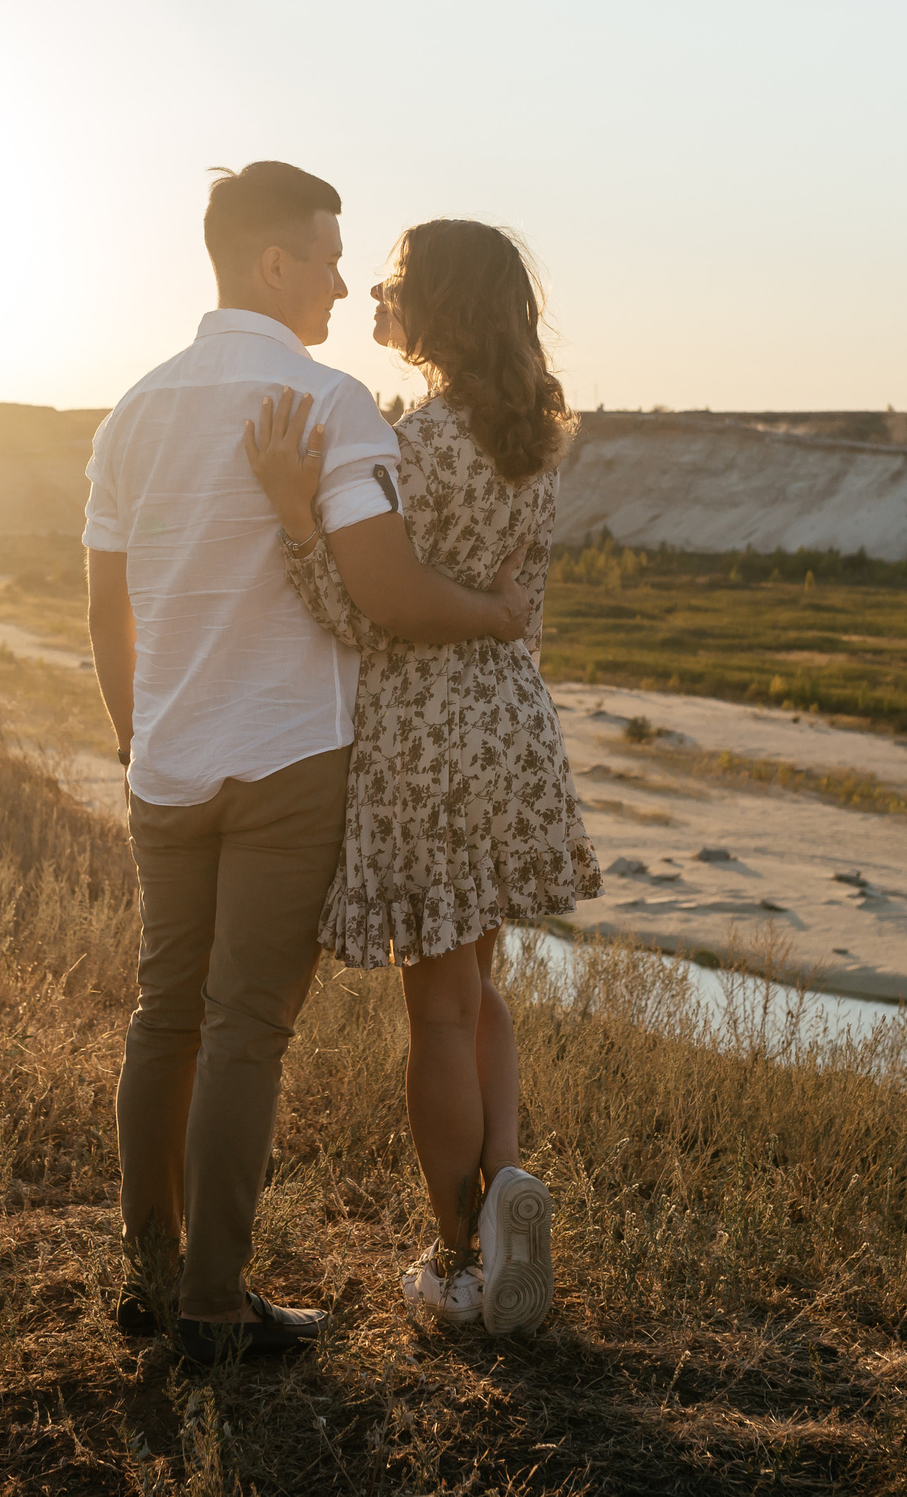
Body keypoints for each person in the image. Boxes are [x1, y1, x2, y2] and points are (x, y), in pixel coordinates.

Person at [87, 164, 533, 1364]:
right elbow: (384, 592)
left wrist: (141, 739)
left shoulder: (132, 408)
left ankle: (147, 1277)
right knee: (243, 1031)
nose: (345, 279)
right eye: (329, 256)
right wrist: (493, 616)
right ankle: (214, 1304)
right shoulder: (328, 402)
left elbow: (104, 609)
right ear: (272, 264)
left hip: (168, 761)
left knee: (160, 1020)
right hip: (289, 759)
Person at [241, 218, 597, 1335]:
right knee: (478, 990)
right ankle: (501, 1201)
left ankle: (459, 1266)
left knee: (437, 1018)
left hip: (429, 739)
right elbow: (506, 597)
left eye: (396, 278)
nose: (379, 291)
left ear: (438, 301)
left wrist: (297, 521)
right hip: (509, 724)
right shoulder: (529, 437)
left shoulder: (413, 445)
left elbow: (368, 609)